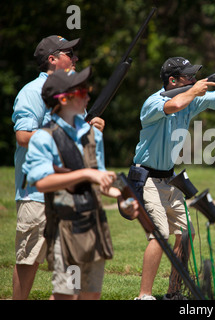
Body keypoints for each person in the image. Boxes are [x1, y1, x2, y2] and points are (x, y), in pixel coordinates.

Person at [131, 57, 215, 300]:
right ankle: (144, 295)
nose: (193, 79)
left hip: (169, 178)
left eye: (193, 76)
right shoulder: (154, 102)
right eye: (188, 76)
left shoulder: (190, 98)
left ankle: (173, 292)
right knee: (159, 234)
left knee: (186, 232)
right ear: (173, 80)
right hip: (146, 177)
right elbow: (174, 105)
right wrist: (195, 89)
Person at [22, 67, 138, 300]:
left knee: (90, 295)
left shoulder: (94, 135)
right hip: (65, 230)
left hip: (94, 226)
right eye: (81, 90)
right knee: (67, 296)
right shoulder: (45, 137)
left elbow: (100, 181)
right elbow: (42, 182)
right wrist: (86, 174)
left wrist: (121, 196)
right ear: (63, 99)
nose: (88, 94)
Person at [11, 35, 105, 300]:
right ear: (52, 59)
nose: (75, 58)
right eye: (69, 53)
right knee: (29, 260)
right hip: (37, 194)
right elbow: (23, 136)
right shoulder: (32, 92)